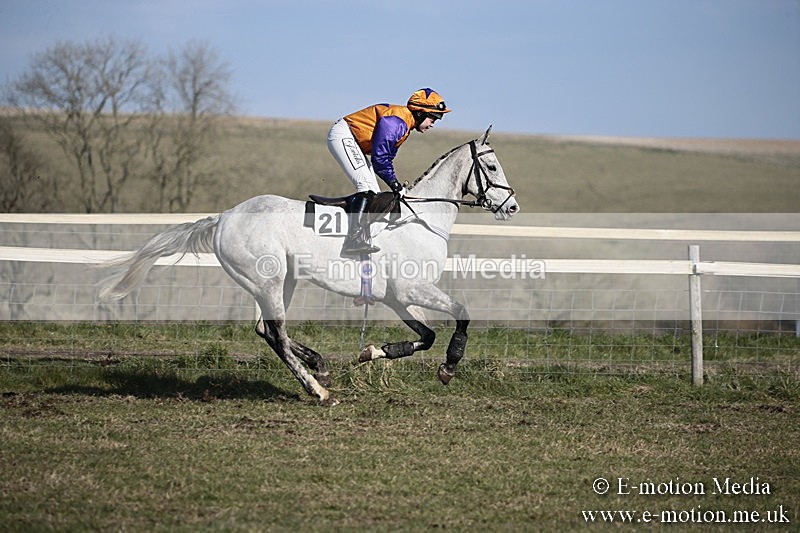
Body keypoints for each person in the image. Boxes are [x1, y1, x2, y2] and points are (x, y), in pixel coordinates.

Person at [327, 88, 451, 254]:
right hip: (344, 135)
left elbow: (386, 160)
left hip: (354, 141)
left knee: (374, 193)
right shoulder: (396, 123)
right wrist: (395, 185)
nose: (433, 123)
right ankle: (352, 240)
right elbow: (380, 160)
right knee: (366, 187)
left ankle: (358, 233)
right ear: (420, 113)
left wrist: (395, 184)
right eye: (433, 117)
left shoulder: (404, 124)